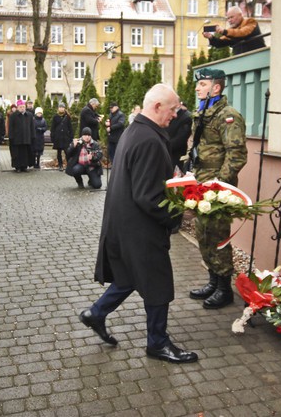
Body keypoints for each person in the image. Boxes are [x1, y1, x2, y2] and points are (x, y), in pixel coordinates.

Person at [79, 84, 198, 364]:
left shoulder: (137, 130)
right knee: (158, 285)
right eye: (173, 110)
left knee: (130, 277)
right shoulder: (149, 139)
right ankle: (157, 343)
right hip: (140, 228)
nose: (176, 115)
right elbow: (149, 195)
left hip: (124, 222)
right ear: (157, 107)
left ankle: (95, 314)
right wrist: (180, 212)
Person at [188, 67, 248, 309]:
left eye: (202, 84)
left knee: (218, 236)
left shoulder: (228, 115)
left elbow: (237, 156)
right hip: (201, 183)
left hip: (218, 187)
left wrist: (218, 184)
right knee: (203, 234)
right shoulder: (203, 113)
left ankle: (225, 289)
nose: (197, 88)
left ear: (216, 87)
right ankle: (213, 281)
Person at [8, 100, 35, 172]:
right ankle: (18, 167)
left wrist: (33, 136)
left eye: (23, 107)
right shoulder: (13, 116)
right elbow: (10, 127)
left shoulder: (29, 115)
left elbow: (32, 126)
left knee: (25, 153)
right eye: (20, 107)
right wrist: (10, 136)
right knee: (17, 154)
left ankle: (24, 166)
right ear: (17, 107)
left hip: (27, 138)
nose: (22, 108)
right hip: (17, 138)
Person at [167, 101, 193, 173]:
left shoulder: (186, 118)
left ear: (178, 104)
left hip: (176, 158)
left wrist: (163, 146)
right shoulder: (167, 115)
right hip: (166, 156)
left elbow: (180, 140)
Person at [51, 103, 74, 171]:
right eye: (60, 107)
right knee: (59, 152)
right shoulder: (55, 117)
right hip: (58, 137)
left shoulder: (67, 116)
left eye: (62, 107)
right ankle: (60, 165)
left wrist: (71, 137)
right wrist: (53, 137)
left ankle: (68, 165)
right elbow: (53, 128)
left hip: (65, 137)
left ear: (64, 108)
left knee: (67, 152)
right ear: (58, 108)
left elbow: (70, 127)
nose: (61, 108)